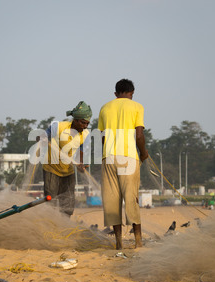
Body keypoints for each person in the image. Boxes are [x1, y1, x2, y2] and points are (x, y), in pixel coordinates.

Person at [98, 79, 148, 249]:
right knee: (131, 198)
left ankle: (118, 244)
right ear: (131, 93)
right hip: (129, 157)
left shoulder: (104, 108)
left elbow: (103, 137)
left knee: (112, 200)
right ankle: (138, 242)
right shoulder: (137, 107)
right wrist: (144, 153)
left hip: (108, 157)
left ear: (115, 94)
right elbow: (139, 135)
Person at [38, 101, 92, 217]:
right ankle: (50, 227)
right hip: (51, 169)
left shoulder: (85, 135)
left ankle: (64, 227)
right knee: (50, 202)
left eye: (87, 123)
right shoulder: (59, 127)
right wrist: (41, 138)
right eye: (83, 123)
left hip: (68, 172)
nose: (85, 126)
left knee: (67, 204)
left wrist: (80, 166)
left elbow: (79, 157)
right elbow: (42, 137)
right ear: (75, 120)